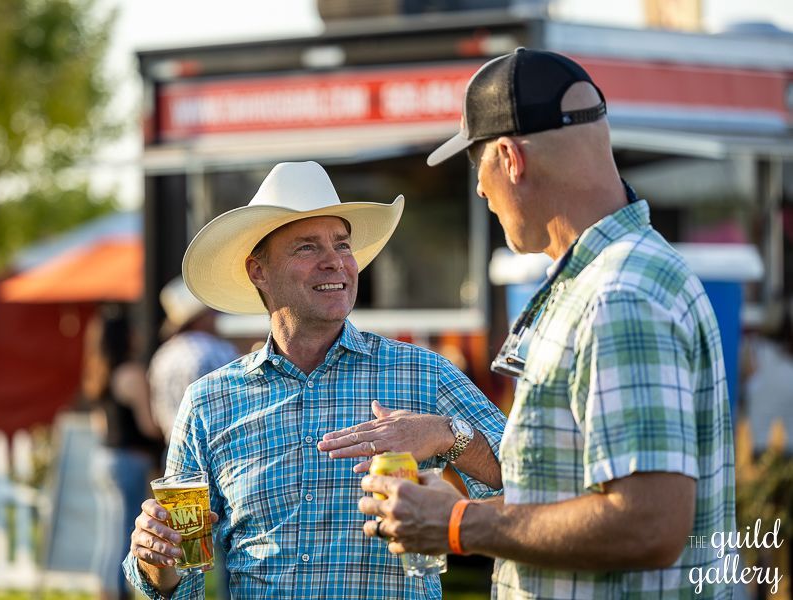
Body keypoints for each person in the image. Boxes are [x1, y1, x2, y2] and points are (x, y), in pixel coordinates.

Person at [359, 48, 736, 599]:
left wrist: (460, 523)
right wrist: (452, 442)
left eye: (476, 167)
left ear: (511, 160)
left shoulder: (618, 294)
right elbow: (560, 490)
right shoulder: (610, 277)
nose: (481, 191)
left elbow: (650, 523)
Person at [123, 160, 507, 599]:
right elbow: (182, 581)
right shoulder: (209, 401)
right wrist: (155, 557)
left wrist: (443, 434)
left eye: (342, 245)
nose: (335, 263)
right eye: (307, 247)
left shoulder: (423, 373)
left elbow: (532, 477)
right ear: (258, 271)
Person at [83, 304, 163, 600]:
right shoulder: (132, 373)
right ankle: (118, 593)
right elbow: (149, 426)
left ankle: (104, 592)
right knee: (125, 534)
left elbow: (99, 423)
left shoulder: (99, 373)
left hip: (104, 458)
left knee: (108, 534)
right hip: (130, 460)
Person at [149, 276, 239, 445]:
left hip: (173, 446)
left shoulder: (162, 355)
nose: (216, 317)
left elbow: (157, 414)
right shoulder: (217, 349)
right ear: (200, 318)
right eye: (211, 312)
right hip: (215, 446)